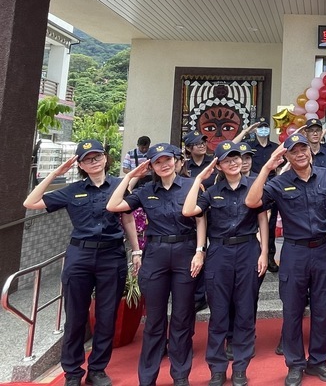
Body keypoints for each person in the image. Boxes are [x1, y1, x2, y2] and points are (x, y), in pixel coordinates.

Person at [23, 140, 142, 386]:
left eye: (98, 156)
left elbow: (128, 220)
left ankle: (97, 369)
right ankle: (73, 372)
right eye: (88, 159)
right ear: (80, 164)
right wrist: (56, 173)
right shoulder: (71, 189)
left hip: (112, 256)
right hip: (80, 256)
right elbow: (31, 203)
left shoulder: (119, 186)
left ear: (106, 159)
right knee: (76, 317)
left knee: (107, 316)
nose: (94, 161)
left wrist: (136, 251)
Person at [245, 133, 326, 386]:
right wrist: (268, 166)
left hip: (324, 249)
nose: (301, 153)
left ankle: (318, 361)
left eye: (304, 148)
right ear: (287, 156)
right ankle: (295, 364)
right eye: (294, 151)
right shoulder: (280, 182)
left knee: (323, 309)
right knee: (292, 310)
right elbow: (251, 201)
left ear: (310, 151)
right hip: (295, 252)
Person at [106, 144, 206, 386]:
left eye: (167, 160)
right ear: (150, 166)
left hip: (185, 252)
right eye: (158, 162)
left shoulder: (191, 186)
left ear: (176, 161)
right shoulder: (145, 190)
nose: (164, 165)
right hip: (156, 255)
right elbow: (113, 206)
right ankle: (147, 377)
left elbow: (201, 219)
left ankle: (180, 375)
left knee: (183, 318)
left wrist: (200, 251)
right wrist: (130, 176)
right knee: (154, 321)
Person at [182, 141, 269, 386]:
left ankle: (240, 366)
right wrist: (200, 177)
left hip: (248, 249)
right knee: (218, 313)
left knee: (244, 311)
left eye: (237, 158)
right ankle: (217, 368)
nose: (234, 162)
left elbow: (262, 219)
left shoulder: (253, 186)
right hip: (219, 251)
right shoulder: (211, 191)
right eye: (228, 159)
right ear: (218, 164)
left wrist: (264, 252)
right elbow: (189, 211)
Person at [234, 119, 281, 272]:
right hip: (248, 183)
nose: (262, 130)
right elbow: (230, 148)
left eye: (265, 127)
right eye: (259, 128)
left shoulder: (275, 147)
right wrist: (245, 132)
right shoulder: (250, 146)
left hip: (268, 187)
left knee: (270, 223)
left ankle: (269, 255)